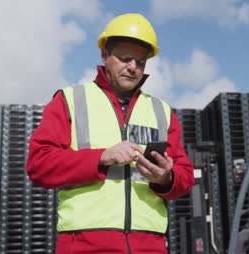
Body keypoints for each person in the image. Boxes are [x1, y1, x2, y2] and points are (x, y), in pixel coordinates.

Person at [26, 13, 195, 254]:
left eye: (141, 62)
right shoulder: (71, 101)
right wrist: (101, 157)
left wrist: (166, 179)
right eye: (125, 59)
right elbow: (38, 165)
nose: (133, 68)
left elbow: (185, 175)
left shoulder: (162, 111)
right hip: (85, 246)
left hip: (150, 247)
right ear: (104, 54)